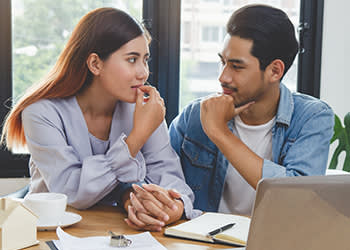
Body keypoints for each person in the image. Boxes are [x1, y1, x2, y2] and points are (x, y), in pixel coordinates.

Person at [0, 7, 200, 231]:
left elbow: (170, 177)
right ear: (95, 64)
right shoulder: (41, 112)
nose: (143, 72)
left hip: (123, 235)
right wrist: (136, 139)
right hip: (52, 235)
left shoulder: (142, 109)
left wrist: (175, 205)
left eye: (145, 60)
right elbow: (72, 191)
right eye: (132, 59)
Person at [168, 4, 334, 215]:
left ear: (275, 71)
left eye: (237, 67)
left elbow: (297, 198)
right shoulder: (195, 114)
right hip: (200, 243)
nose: (223, 77)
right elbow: (160, 177)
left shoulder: (312, 118)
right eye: (223, 62)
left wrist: (221, 134)